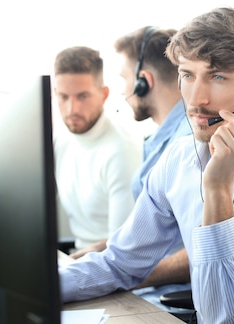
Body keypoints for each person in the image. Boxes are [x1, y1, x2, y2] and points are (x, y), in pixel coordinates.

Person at [59, 8, 234, 323]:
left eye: (217, 76)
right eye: (188, 75)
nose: (196, 98)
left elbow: (233, 318)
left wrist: (217, 190)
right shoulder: (178, 160)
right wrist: (37, 286)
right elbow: (120, 263)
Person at [114, 26, 193, 313]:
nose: (123, 91)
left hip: (168, 301)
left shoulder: (188, 143)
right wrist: (94, 253)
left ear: (143, 82)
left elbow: (201, 250)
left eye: (124, 79)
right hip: (146, 293)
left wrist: (125, 277)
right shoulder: (161, 140)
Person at [53, 46, 142, 259]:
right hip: (79, 258)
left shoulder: (121, 150)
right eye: (63, 97)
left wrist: (71, 264)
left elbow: (123, 247)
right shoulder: (61, 139)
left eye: (82, 96)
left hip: (111, 268)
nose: (71, 109)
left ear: (104, 95)